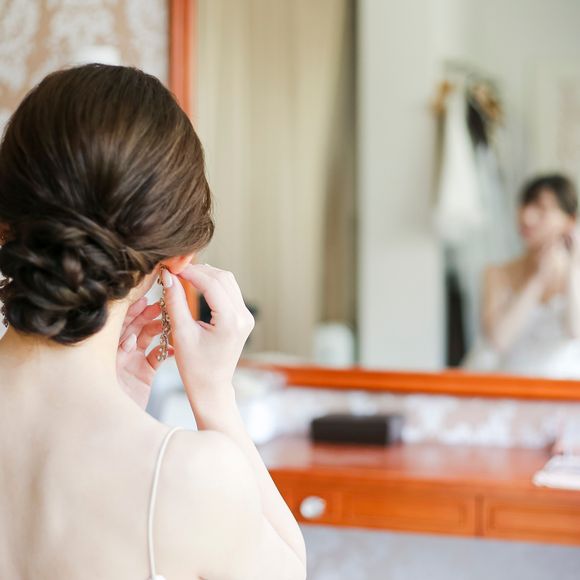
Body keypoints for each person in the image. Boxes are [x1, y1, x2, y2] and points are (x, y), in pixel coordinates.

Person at [0, 64, 306, 580]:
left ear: (5, 224)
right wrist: (214, 395)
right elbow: (291, 569)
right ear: (180, 259)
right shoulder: (189, 477)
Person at [464, 174, 580, 378]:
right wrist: (538, 280)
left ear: (570, 220)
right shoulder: (497, 273)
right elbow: (498, 341)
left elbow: (575, 331)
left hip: (564, 388)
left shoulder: (575, 273)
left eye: (542, 209)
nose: (527, 217)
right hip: (508, 384)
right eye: (525, 205)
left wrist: (573, 267)